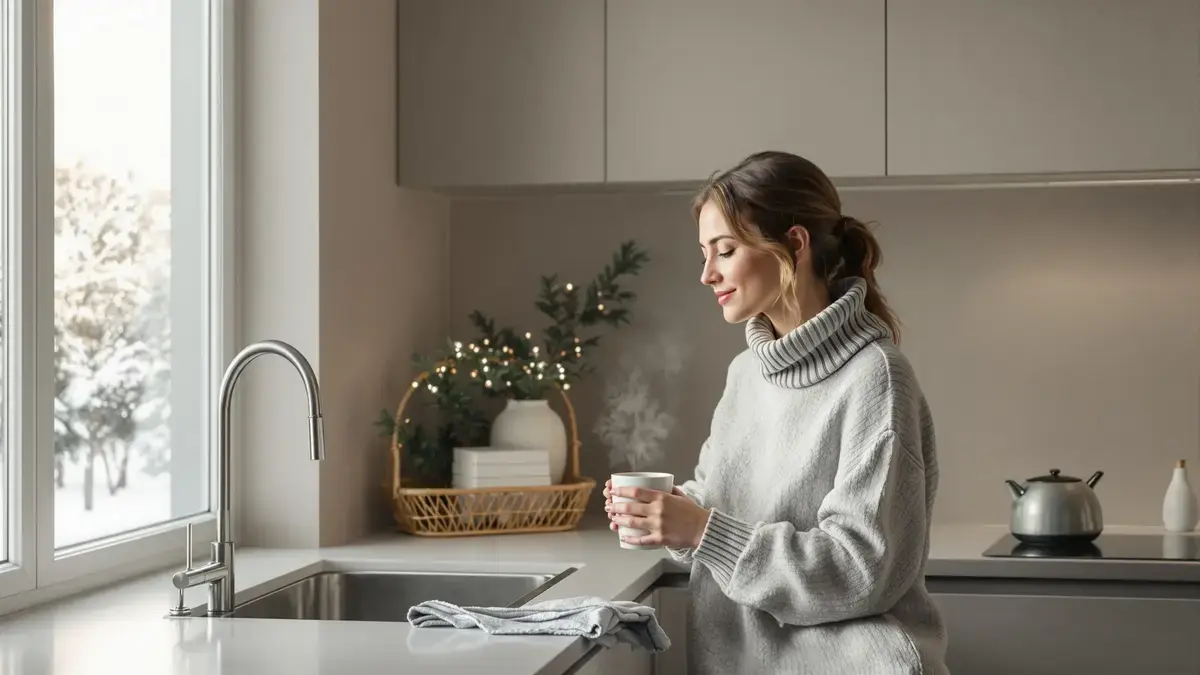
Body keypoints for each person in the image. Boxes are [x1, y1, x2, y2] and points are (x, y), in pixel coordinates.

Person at [604, 150, 949, 674]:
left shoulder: (875, 377)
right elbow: (721, 504)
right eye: (704, 253)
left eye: (725, 250)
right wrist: (668, 514)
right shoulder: (746, 373)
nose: (707, 274)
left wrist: (701, 531)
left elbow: (859, 571)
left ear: (794, 243)